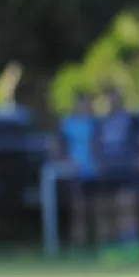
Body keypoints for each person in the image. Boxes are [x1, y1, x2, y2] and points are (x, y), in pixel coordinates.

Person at [94, 87, 139, 264]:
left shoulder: (132, 119)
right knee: (108, 211)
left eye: (114, 99)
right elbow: (94, 145)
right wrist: (99, 163)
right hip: (108, 172)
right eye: (108, 99)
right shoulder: (101, 123)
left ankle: (132, 248)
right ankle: (110, 250)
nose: (111, 103)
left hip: (127, 170)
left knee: (128, 207)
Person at [54, 91, 99, 250]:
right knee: (78, 210)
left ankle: (99, 246)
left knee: (99, 210)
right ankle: (78, 247)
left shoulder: (96, 123)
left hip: (96, 172)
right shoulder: (66, 123)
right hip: (75, 173)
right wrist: (66, 162)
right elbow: (58, 147)